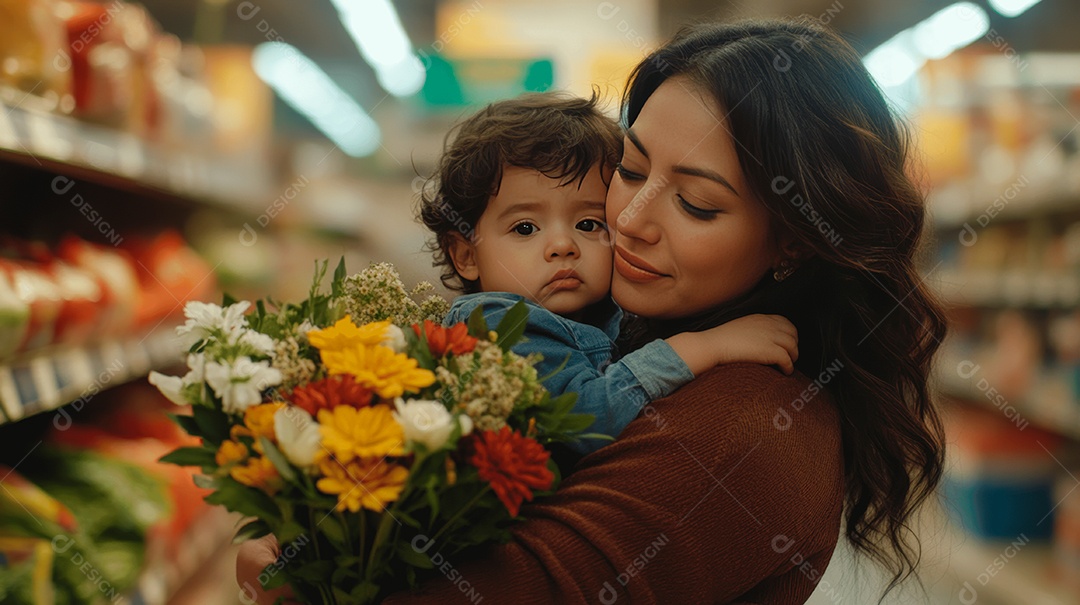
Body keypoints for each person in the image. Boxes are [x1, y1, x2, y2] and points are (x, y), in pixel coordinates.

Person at [239, 17, 946, 604]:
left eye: (696, 203)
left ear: (793, 240)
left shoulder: (742, 424)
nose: (630, 219)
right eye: (631, 171)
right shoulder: (622, 328)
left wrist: (297, 588)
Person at [420, 92, 799, 454]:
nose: (563, 246)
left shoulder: (603, 315)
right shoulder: (500, 327)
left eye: (588, 223)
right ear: (466, 254)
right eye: (524, 228)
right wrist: (706, 346)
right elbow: (586, 420)